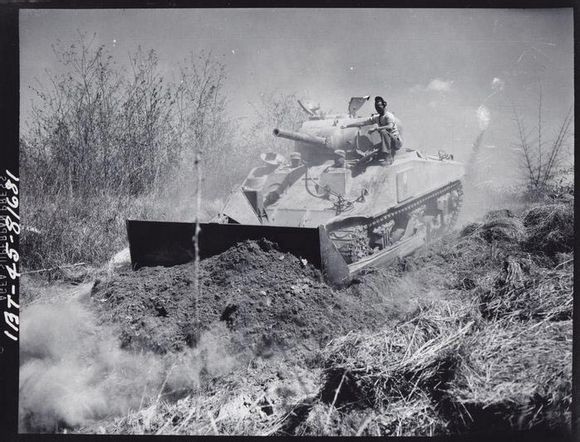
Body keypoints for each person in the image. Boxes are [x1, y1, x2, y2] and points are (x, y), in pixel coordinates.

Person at [341, 96, 403, 165]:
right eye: (376, 107)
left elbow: (390, 126)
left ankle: (388, 157)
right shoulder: (377, 118)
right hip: (387, 143)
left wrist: (376, 128)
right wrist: (347, 125)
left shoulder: (389, 116)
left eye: (379, 106)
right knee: (372, 149)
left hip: (396, 142)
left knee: (383, 131)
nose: (378, 108)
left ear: (384, 105)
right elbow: (363, 123)